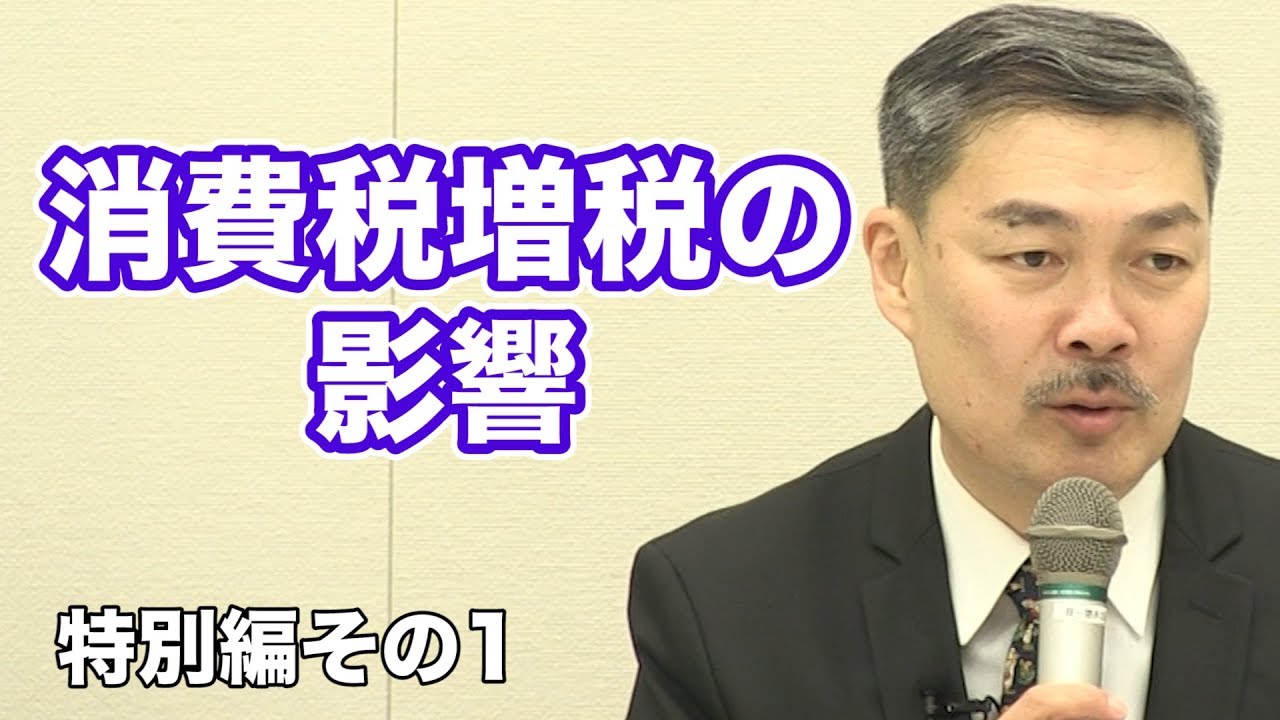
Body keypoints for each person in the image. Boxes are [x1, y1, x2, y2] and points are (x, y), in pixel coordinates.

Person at [623, 4, 1280, 720]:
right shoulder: (724, 604)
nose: (1102, 328)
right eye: (1033, 255)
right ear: (897, 268)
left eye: (1160, 259)